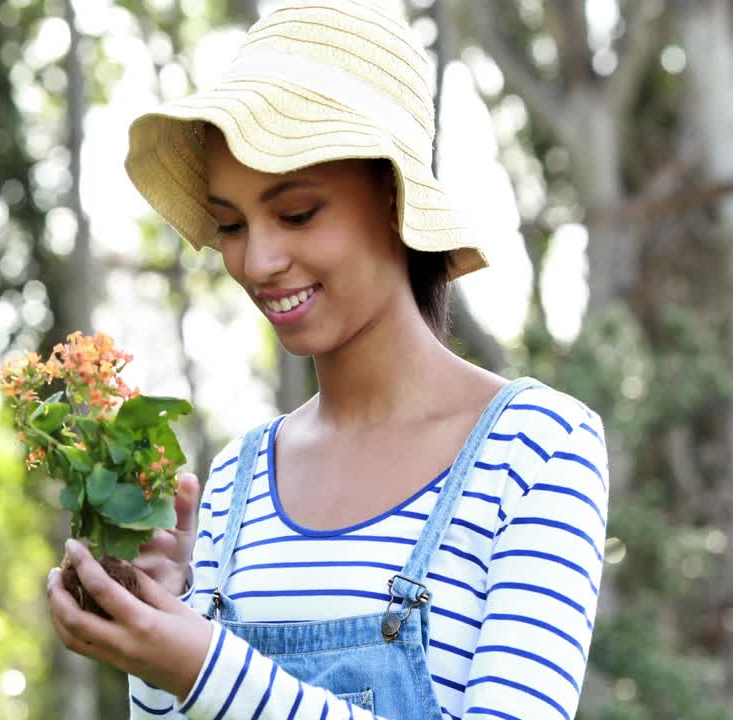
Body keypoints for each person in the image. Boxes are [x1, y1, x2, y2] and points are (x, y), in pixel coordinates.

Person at [45, 1, 610, 718]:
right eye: (231, 224)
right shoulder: (237, 483)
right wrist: (153, 635)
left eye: (298, 213)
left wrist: (200, 664)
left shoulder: (536, 448)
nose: (259, 260)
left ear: (393, 197)